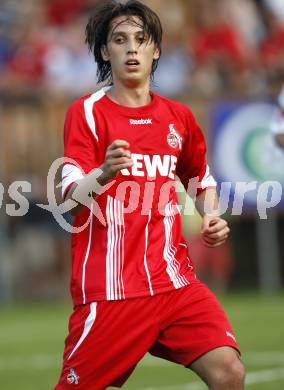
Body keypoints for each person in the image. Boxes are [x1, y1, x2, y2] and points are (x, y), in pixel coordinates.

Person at [55, 1, 245, 389]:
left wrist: (210, 215)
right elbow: (68, 197)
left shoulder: (179, 117)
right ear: (105, 52)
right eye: (119, 40)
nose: (131, 49)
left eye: (141, 40)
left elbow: (201, 179)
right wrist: (104, 172)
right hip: (113, 291)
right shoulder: (87, 114)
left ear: (156, 49)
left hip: (175, 284)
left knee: (229, 370)